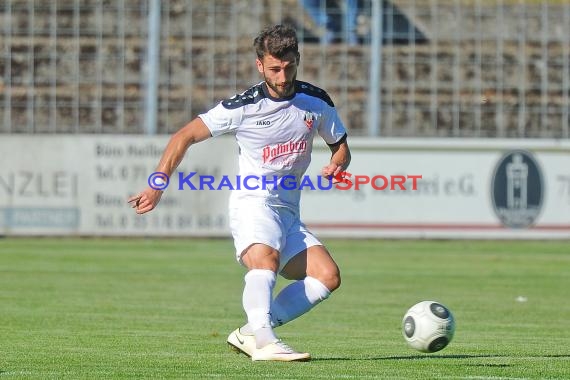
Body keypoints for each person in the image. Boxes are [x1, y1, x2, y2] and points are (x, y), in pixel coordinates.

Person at [128, 24, 351, 362]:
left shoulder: (315, 101)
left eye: (290, 65)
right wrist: (158, 184)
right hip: (253, 202)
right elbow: (183, 136)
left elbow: (341, 147)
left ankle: (253, 330)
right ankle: (263, 341)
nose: (283, 74)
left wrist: (338, 163)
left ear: (298, 60)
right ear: (260, 66)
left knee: (328, 277)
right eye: (275, 68)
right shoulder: (243, 106)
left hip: (288, 211)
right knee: (265, 261)